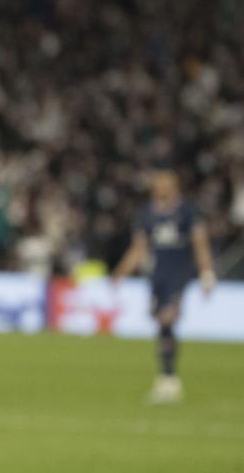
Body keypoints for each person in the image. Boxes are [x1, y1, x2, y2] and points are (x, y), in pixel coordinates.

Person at [111, 169, 217, 404]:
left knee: (167, 319)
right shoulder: (146, 214)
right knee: (161, 325)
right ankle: (167, 378)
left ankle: (169, 381)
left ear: (174, 186)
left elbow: (200, 244)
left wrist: (207, 273)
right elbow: (138, 249)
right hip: (157, 277)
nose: (160, 187)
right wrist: (121, 272)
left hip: (179, 275)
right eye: (158, 184)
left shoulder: (187, 212)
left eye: (165, 183)